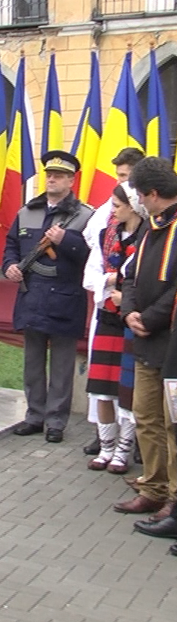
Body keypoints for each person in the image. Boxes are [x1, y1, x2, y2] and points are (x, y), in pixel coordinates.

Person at [3, 150, 93, 443]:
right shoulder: (27, 211)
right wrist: (10, 266)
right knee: (32, 362)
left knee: (62, 364)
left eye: (58, 176)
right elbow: (12, 245)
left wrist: (65, 240)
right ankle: (34, 415)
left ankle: (56, 421)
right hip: (32, 295)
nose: (51, 179)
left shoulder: (85, 216)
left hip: (65, 297)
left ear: (71, 180)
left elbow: (92, 257)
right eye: (49, 175)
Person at [118, 156, 177, 518]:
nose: (137, 201)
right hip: (144, 339)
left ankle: (173, 497)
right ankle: (152, 488)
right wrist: (128, 311)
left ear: (153, 194)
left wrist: (151, 318)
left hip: (170, 340)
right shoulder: (150, 227)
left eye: (139, 194)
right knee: (146, 417)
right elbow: (129, 275)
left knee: (173, 423)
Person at [79, 147, 145, 456]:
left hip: (135, 315)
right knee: (102, 384)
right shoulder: (106, 223)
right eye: (119, 176)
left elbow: (142, 274)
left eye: (128, 177)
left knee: (131, 384)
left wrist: (118, 282)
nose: (122, 182)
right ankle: (105, 440)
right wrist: (112, 280)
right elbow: (91, 272)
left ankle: (131, 445)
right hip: (106, 312)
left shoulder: (149, 231)